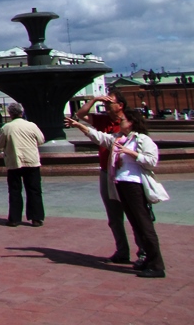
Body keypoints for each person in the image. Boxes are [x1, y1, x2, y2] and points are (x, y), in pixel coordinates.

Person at [66, 109, 167, 278]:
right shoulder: (119, 139)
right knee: (135, 223)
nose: (120, 121)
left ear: (132, 122)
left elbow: (151, 161)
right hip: (122, 184)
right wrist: (79, 126)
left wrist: (132, 153)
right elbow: (99, 137)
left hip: (135, 185)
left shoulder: (143, 140)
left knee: (144, 223)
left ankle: (157, 265)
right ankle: (148, 260)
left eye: (124, 119)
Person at [75, 92, 140, 264]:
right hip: (105, 171)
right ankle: (122, 251)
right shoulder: (103, 120)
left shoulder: (129, 122)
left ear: (121, 105)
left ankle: (143, 251)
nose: (107, 103)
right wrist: (95, 99)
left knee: (134, 214)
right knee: (114, 216)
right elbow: (79, 115)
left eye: (111, 101)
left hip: (125, 173)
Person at [0, 102, 45, 227]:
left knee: (15, 191)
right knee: (34, 190)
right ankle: (36, 218)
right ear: (22, 112)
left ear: (10, 114)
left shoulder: (7, 127)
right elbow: (41, 140)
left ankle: (14, 219)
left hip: (14, 162)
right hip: (32, 161)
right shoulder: (32, 125)